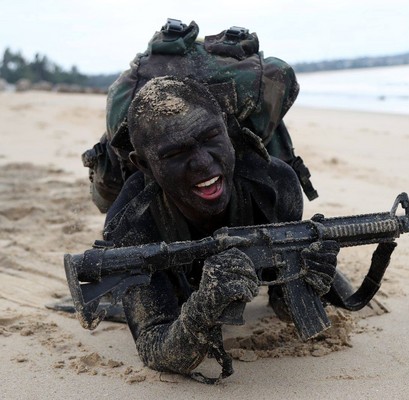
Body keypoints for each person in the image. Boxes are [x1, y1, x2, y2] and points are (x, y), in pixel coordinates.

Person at [102, 75, 340, 377]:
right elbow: (155, 347)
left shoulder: (274, 184)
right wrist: (202, 309)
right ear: (145, 166)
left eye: (211, 137)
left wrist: (309, 280)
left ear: (228, 130)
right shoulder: (130, 222)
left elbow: (283, 302)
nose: (202, 163)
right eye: (175, 154)